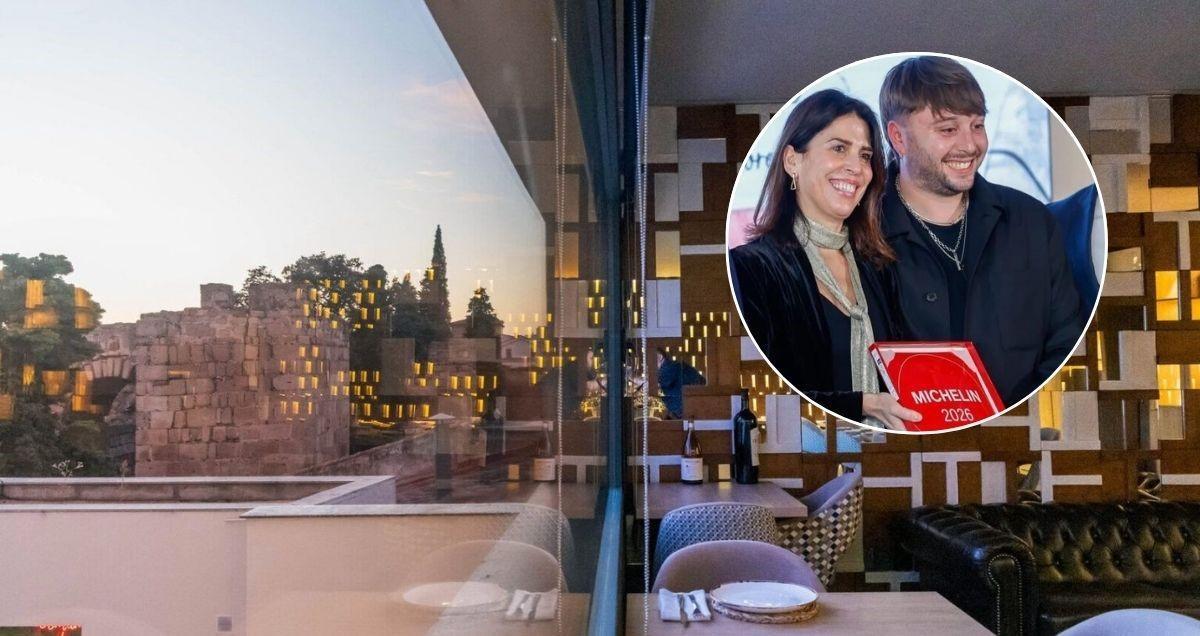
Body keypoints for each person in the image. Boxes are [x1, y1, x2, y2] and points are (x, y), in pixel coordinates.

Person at [878, 56, 1083, 405]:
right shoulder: (862, 233)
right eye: (947, 129)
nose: (971, 145)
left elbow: (1066, 341)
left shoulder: (1032, 221)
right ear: (899, 138)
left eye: (977, 125)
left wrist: (1011, 420)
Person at [729, 89, 921, 429]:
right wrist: (862, 404)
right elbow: (769, 394)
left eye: (865, 155)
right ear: (793, 161)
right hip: (811, 451)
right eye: (838, 148)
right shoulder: (750, 269)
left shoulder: (881, 268)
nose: (856, 168)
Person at [656, 348, 704, 419]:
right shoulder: (674, 366)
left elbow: (655, 384)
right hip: (690, 406)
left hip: (686, 409)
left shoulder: (669, 367)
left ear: (660, 357)